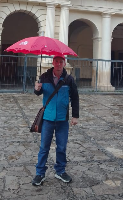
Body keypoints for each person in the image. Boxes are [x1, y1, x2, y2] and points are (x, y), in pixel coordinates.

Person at [32, 55, 79, 186]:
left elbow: (75, 97)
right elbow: (38, 93)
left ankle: (60, 171)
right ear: (53, 63)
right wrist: (36, 89)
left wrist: (75, 115)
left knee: (62, 147)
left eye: (61, 62)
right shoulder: (44, 77)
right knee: (44, 147)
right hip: (47, 118)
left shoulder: (69, 79)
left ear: (64, 63)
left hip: (62, 119)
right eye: (56, 61)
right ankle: (40, 173)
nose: (58, 64)